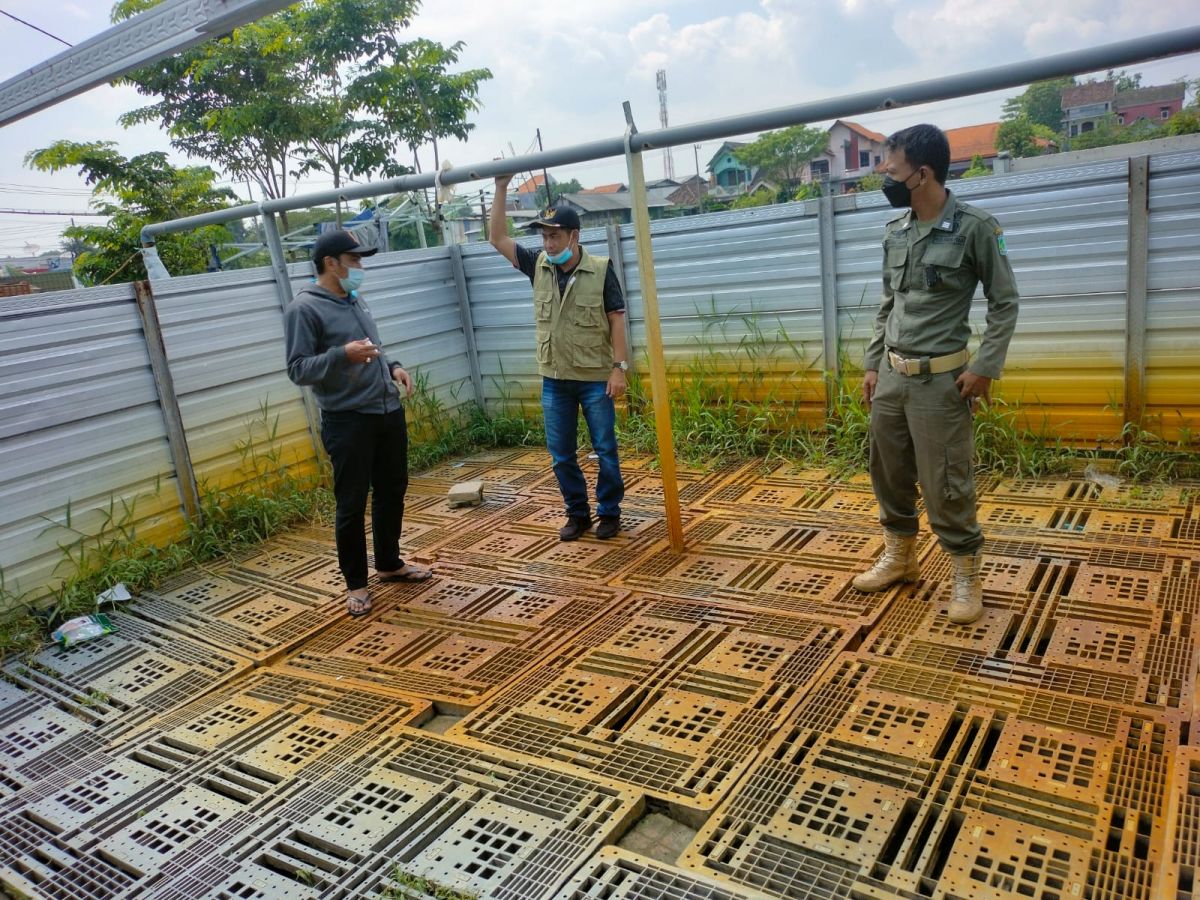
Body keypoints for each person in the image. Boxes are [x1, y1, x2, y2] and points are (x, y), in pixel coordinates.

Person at [855, 124, 1019, 625]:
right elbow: (890, 303)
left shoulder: (975, 228)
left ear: (921, 173)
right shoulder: (895, 233)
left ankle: (966, 575)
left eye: (891, 165)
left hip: (941, 383)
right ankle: (901, 558)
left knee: (947, 481)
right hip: (892, 377)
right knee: (889, 471)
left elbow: (1004, 302)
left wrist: (985, 369)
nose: (883, 172)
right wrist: (871, 361)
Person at [283, 229, 431, 618]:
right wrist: (341, 355)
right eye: (355, 260)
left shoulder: (355, 298)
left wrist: (393, 366)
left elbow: (371, 347)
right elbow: (298, 369)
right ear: (331, 263)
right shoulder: (304, 309)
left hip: (385, 411)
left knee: (391, 490)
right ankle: (357, 585)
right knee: (351, 503)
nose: (360, 267)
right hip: (347, 420)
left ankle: (388, 563)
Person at [488, 176, 628, 541]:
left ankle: (609, 512)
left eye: (555, 236)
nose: (548, 243)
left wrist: (619, 368)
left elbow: (616, 319)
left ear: (574, 236)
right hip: (555, 379)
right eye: (544, 236)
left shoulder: (600, 270)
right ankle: (578, 514)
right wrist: (501, 187)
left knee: (605, 450)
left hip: (595, 378)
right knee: (561, 454)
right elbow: (497, 239)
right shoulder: (538, 266)